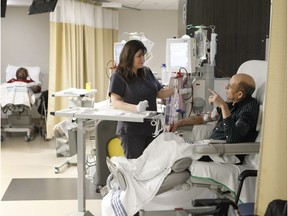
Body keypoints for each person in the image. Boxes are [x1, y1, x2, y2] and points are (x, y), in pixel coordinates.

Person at [170, 73, 259, 163]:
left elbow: (233, 139)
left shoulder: (249, 110)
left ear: (239, 94)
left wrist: (223, 106)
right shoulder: (232, 104)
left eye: (229, 86)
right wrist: (178, 123)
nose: (226, 88)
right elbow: (203, 118)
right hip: (212, 146)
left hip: (226, 153)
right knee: (170, 144)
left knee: (175, 152)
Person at [109, 40, 174, 160]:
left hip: (152, 128)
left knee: (152, 166)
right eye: (138, 56)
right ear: (129, 56)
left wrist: (178, 89)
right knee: (136, 167)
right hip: (132, 130)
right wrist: (136, 108)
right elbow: (115, 102)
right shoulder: (118, 76)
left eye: (143, 55)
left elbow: (160, 93)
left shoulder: (146, 72)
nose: (142, 59)